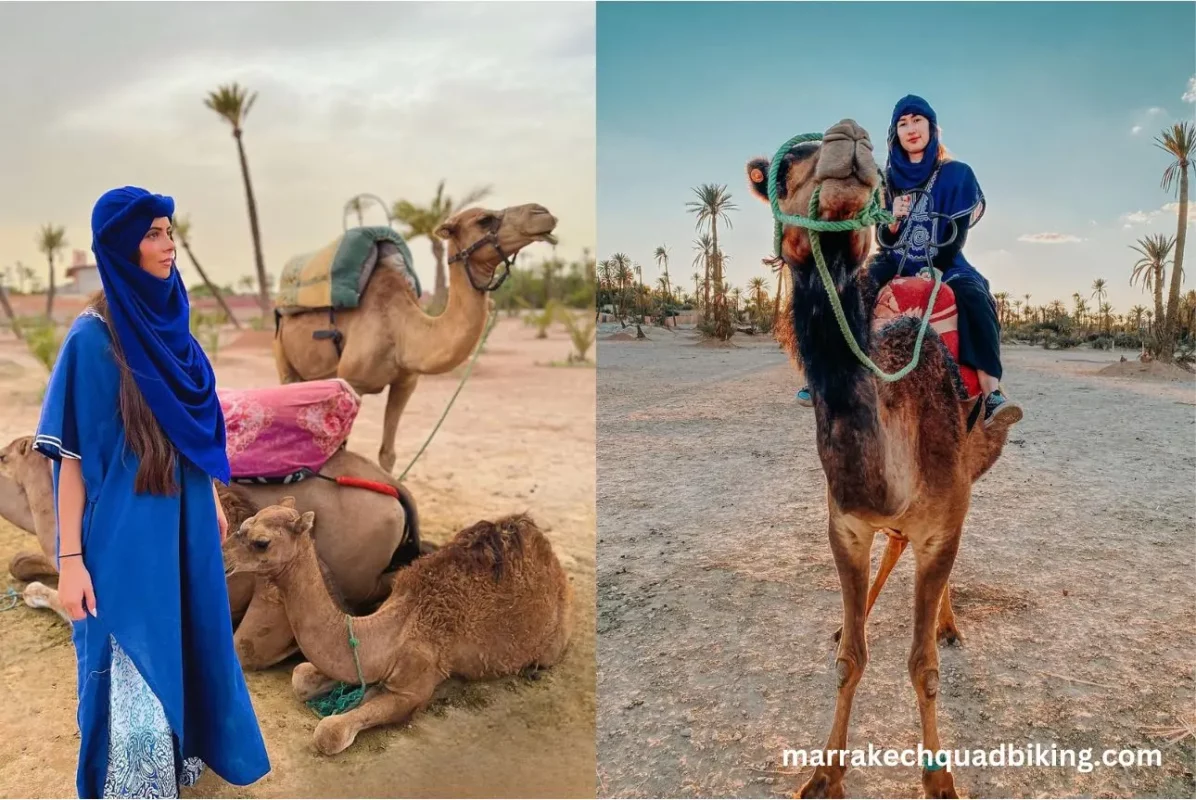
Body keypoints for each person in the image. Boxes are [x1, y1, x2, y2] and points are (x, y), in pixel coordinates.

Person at [33, 186, 271, 798]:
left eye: (170, 232)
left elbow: (189, 434)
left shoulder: (172, 326)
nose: (169, 246)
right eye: (153, 233)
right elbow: (74, 460)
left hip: (185, 525)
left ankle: (178, 765)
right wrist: (68, 562)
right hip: (123, 540)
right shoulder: (91, 340)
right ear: (121, 245)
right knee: (133, 662)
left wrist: (213, 501)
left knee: (188, 643)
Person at [796, 95, 1021, 427]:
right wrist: (892, 219)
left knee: (974, 294)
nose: (911, 129)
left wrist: (939, 268)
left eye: (917, 120)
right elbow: (885, 240)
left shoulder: (957, 174)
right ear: (894, 134)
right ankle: (825, 378)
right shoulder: (886, 181)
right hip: (895, 258)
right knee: (849, 292)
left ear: (931, 127)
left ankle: (992, 393)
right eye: (903, 123)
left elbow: (957, 234)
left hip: (946, 259)